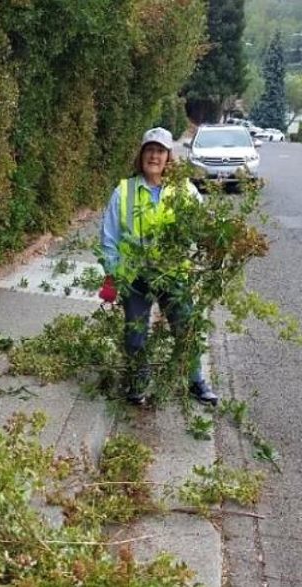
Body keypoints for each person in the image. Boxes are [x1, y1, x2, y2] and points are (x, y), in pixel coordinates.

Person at [98, 127, 219, 407]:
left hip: (173, 275)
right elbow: (109, 238)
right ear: (141, 155)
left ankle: (194, 380)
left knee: (185, 328)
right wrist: (116, 274)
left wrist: (218, 242)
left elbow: (202, 228)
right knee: (135, 333)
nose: (154, 155)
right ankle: (139, 380)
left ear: (168, 157)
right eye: (149, 150)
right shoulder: (124, 191)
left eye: (160, 151)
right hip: (136, 277)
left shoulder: (184, 190)